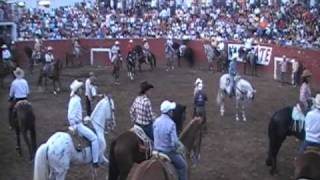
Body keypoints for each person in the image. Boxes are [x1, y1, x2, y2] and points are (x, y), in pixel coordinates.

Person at [67, 80, 99, 168]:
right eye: (81, 88)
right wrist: (75, 126)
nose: (82, 90)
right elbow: (71, 116)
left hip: (78, 123)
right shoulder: (76, 101)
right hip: (78, 125)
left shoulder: (73, 99)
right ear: (78, 90)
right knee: (94, 138)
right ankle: (95, 161)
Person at [153, 100, 188, 180]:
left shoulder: (156, 121)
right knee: (183, 166)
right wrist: (179, 149)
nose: (172, 112)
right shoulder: (171, 124)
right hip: (168, 152)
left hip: (155, 151)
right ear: (169, 112)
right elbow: (174, 143)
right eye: (171, 110)